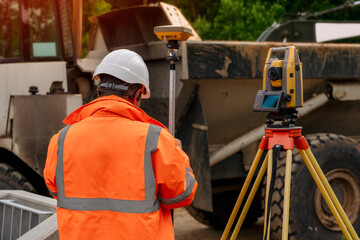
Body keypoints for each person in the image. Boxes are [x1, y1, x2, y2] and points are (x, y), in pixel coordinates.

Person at [43, 49, 198, 240]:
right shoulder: (154, 139)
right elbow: (180, 194)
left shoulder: (62, 139)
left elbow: (56, 190)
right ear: (138, 94)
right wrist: (179, 156)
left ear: (100, 90)